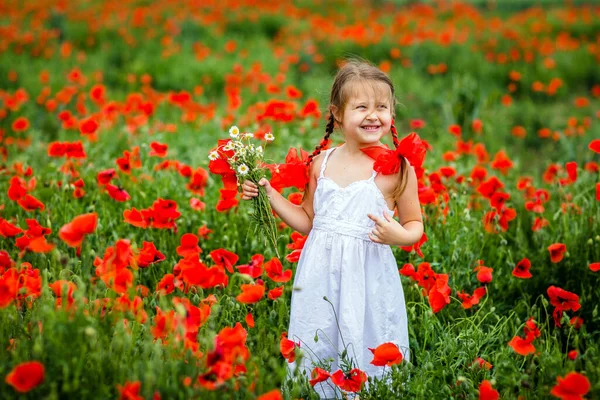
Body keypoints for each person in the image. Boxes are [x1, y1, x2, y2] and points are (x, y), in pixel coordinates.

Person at [241, 60, 424, 398]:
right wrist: (269, 194)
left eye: (382, 107)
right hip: (319, 276)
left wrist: (399, 235)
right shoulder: (321, 163)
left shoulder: (397, 168)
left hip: (368, 276)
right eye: (362, 107)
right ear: (337, 113)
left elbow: (414, 224)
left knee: (365, 337)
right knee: (318, 337)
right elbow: (308, 221)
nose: (373, 115)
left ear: (392, 112)